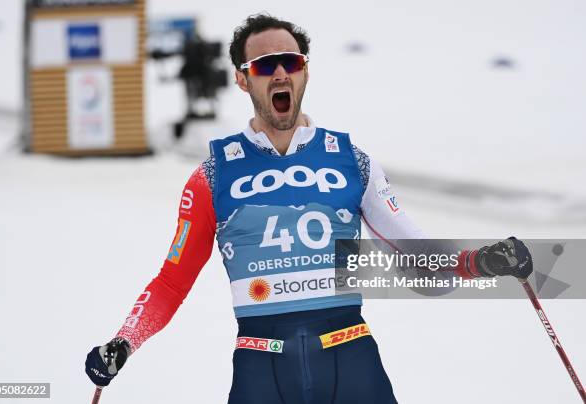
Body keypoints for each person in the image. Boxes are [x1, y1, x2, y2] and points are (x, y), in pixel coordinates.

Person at [85, 14, 533, 403]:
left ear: (305, 73)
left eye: (291, 62)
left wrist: (482, 262)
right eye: (264, 65)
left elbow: (419, 258)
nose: (280, 73)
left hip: (352, 359)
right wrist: (124, 343)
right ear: (242, 79)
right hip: (262, 368)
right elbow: (171, 281)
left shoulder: (352, 160)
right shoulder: (212, 176)